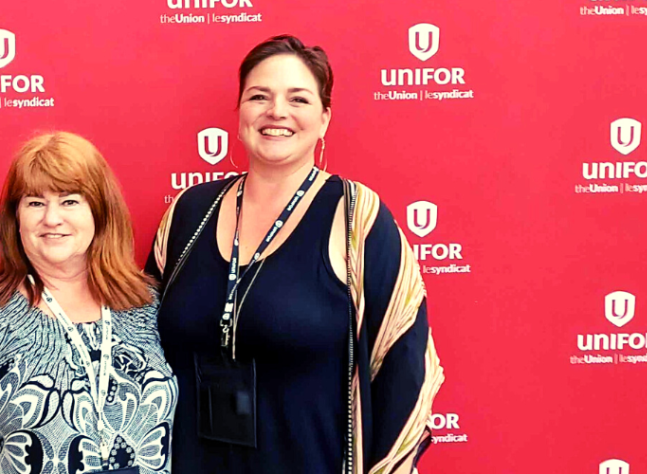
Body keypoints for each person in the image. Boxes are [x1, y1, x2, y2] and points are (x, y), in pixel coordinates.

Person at [146, 35, 443, 474]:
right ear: (240, 111)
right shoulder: (189, 212)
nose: (276, 112)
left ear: (324, 119)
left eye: (298, 98)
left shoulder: (356, 218)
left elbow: (404, 367)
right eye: (259, 96)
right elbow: (137, 343)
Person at [0, 132, 177, 474]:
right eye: (35, 203)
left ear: (100, 211)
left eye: (70, 201)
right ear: (15, 218)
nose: (52, 218)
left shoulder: (147, 304)